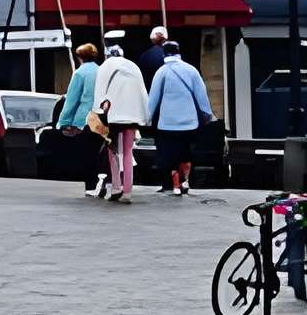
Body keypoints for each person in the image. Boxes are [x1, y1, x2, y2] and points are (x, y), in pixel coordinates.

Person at [147, 44, 215, 198]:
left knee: (171, 154)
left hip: (167, 123)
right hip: (189, 121)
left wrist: (147, 118)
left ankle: (176, 186)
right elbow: (201, 93)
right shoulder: (191, 70)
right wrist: (207, 113)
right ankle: (185, 181)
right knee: (186, 152)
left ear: (164, 55)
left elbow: (153, 98)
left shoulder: (161, 72)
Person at [93, 44, 150, 204]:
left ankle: (116, 187)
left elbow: (99, 92)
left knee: (113, 151)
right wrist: (145, 115)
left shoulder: (106, 66)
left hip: (114, 116)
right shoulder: (133, 67)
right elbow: (142, 92)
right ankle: (127, 191)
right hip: (132, 115)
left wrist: (98, 109)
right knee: (128, 151)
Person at [56, 43, 103, 194]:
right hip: (101, 117)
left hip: (84, 118)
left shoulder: (79, 73)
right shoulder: (102, 70)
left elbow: (72, 99)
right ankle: (104, 182)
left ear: (79, 57)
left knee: (86, 153)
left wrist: (63, 121)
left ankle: (90, 185)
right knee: (99, 151)